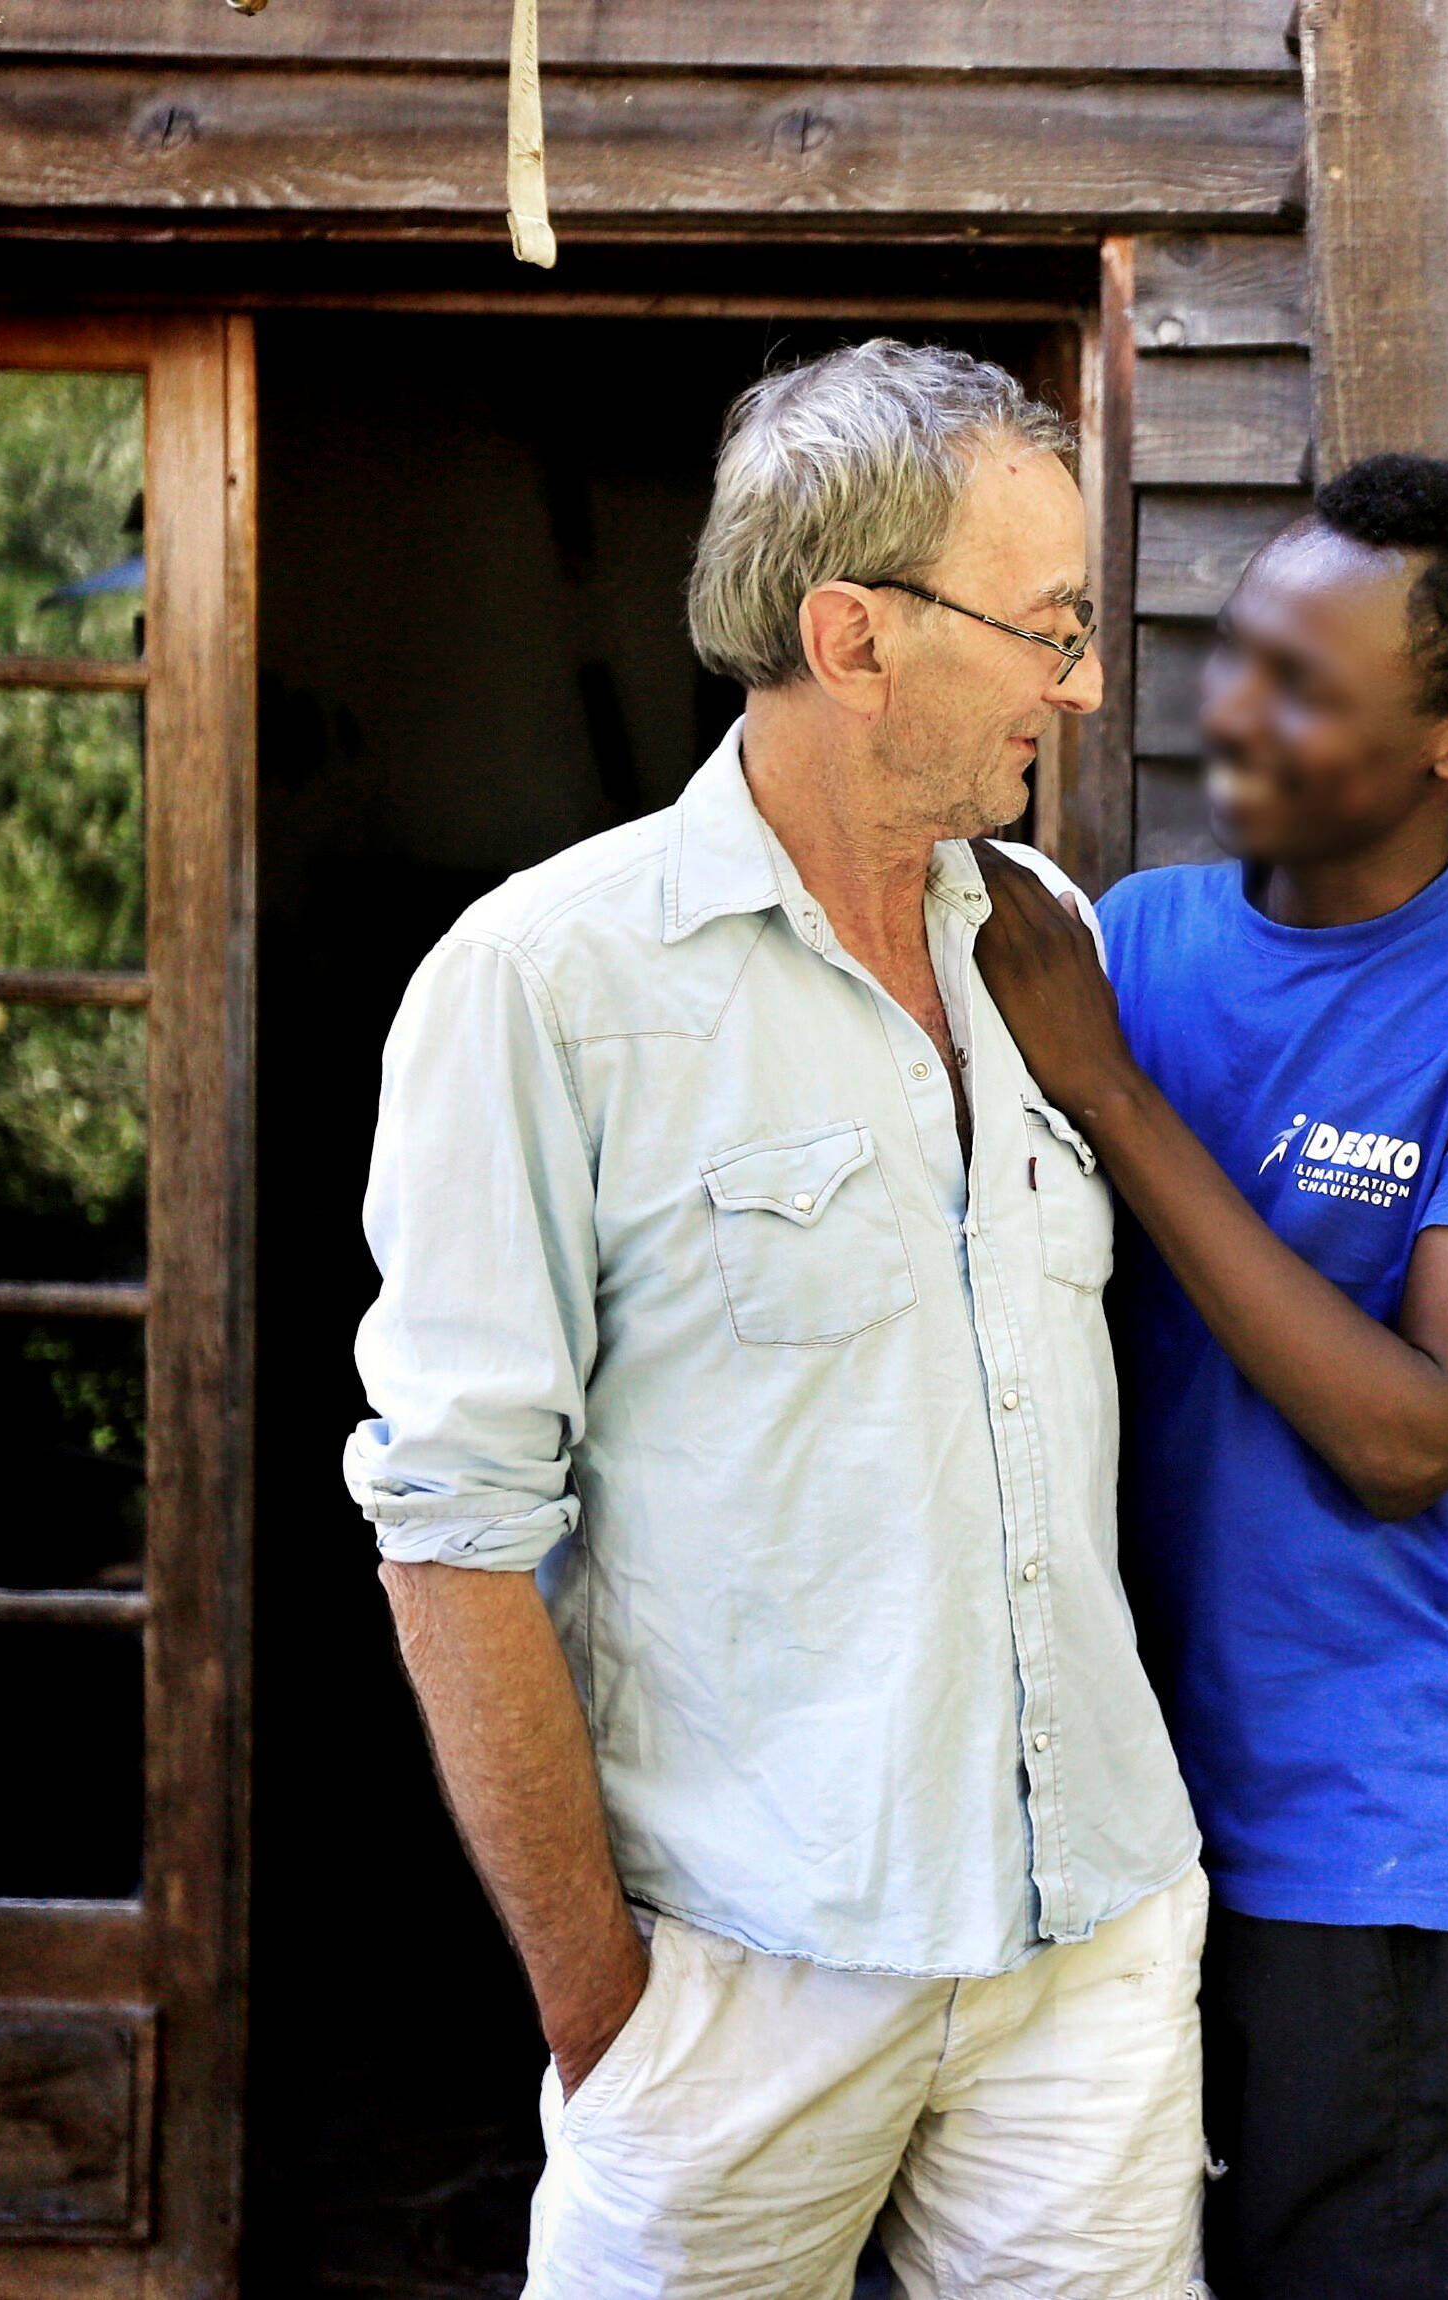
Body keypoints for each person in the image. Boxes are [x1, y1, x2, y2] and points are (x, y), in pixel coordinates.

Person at [343, 340, 1209, 2299]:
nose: (1079, 681)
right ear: (857, 635)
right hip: (741, 1975)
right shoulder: (542, 982)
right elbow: (450, 1526)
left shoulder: (1040, 939)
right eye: (1049, 628)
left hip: (1088, 1954)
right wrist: (611, 2018)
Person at [970, 454, 1448, 2298]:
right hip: (1109, 1821)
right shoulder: (1136, 939)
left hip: (1374, 1840)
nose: (1232, 709)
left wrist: (1110, 1090)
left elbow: (1408, 1436)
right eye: (1236, 651)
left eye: (1305, 682)